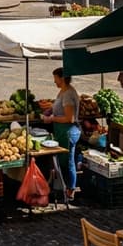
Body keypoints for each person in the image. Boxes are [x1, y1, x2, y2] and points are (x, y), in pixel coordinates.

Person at [42, 67, 81, 199]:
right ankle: (64, 186)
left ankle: (71, 189)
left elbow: (69, 118)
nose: (54, 81)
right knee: (63, 161)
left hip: (68, 132)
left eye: (55, 78)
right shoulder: (62, 92)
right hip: (61, 131)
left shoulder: (68, 94)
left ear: (62, 78)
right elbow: (58, 108)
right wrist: (49, 111)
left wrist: (52, 118)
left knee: (68, 161)